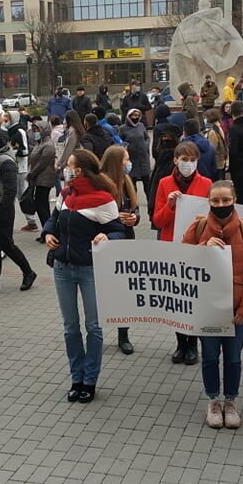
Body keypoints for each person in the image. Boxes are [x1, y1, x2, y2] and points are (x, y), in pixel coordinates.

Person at [182, 180, 243, 428]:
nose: (221, 205)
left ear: (234, 200)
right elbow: (181, 262)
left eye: (226, 200)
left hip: (236, 312)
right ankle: (213, 400)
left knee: (233, 358)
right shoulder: (198, 228)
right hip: (207, 310)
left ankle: (230, 401)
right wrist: (202, 248)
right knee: (209, 357)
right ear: (208, 202)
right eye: (215, 201)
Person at [44, 149, 124, 404]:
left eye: (69, 165)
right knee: (70, 327)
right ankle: (76, 378)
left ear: (80, 170)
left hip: (90, 269)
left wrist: (107, 236)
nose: (64, 169)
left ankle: (90, 380)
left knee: (93, 327)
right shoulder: (67, 193)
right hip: (62, 268)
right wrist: (48, 233)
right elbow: (54, 218)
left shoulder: (103, 198)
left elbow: (118, 231)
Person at [152, 142, 213, 365]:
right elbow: (157, 220)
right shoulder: (164, 183)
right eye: (184, 159)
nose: (188, 164)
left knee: (193, 296)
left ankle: (193, 344)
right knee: (176, 297)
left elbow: (213, 217)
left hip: (196, 246)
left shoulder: (206, 183)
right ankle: (180, 343)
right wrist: (169, 205)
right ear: (175, 160)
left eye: (192, 160)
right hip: (172, 245)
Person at [0, 127, 37, 293]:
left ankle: (28, 272)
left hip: (1, 210)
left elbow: (10, 190)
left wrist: (3, 210)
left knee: (6, 244)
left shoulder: (6, 161)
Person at [100, 145, 140, 355]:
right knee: (105, 290)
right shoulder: (100, 185)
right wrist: (116, 218)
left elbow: (136, 210)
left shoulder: (126, 181)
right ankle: (96, 333)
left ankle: (123, 335)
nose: (129, 163)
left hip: (126, 240)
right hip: (106, 243)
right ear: (116, 162)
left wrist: (134, 218)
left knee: (125, 291)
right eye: (126, 159)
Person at [26, 125, 56, 238]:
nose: (35, 132)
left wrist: (31, 174)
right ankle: (47, 231)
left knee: (41, 206)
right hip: (39, 178)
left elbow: (42, 163)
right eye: (34, 130)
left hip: (44, 178)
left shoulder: (48, 145)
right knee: (42, 205)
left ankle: (48, 232)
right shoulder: (40, 143)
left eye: (37, 130)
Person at [119, 108, 152, 207]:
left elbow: (147, 137)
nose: (135, 117)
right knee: (132, 184)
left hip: (143, 159)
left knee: (147, 183)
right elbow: (120, 141)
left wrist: (145, 145)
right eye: (133, 115)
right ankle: (134, 205)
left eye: (137, 115)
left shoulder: (141, 126)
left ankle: (151, 203)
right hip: (131, 159)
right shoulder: (123, 128)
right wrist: (126, 146)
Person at [57, 110, 86, 176]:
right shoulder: (78, 129)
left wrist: (60, 164)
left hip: (72, 161)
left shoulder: (72, 131)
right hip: (77, 159)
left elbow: (68, 149)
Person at [205, 109, 229, 179]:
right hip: (221, 160)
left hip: (217, 162)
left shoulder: (213, 131)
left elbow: (212, 148)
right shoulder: (219, 127)